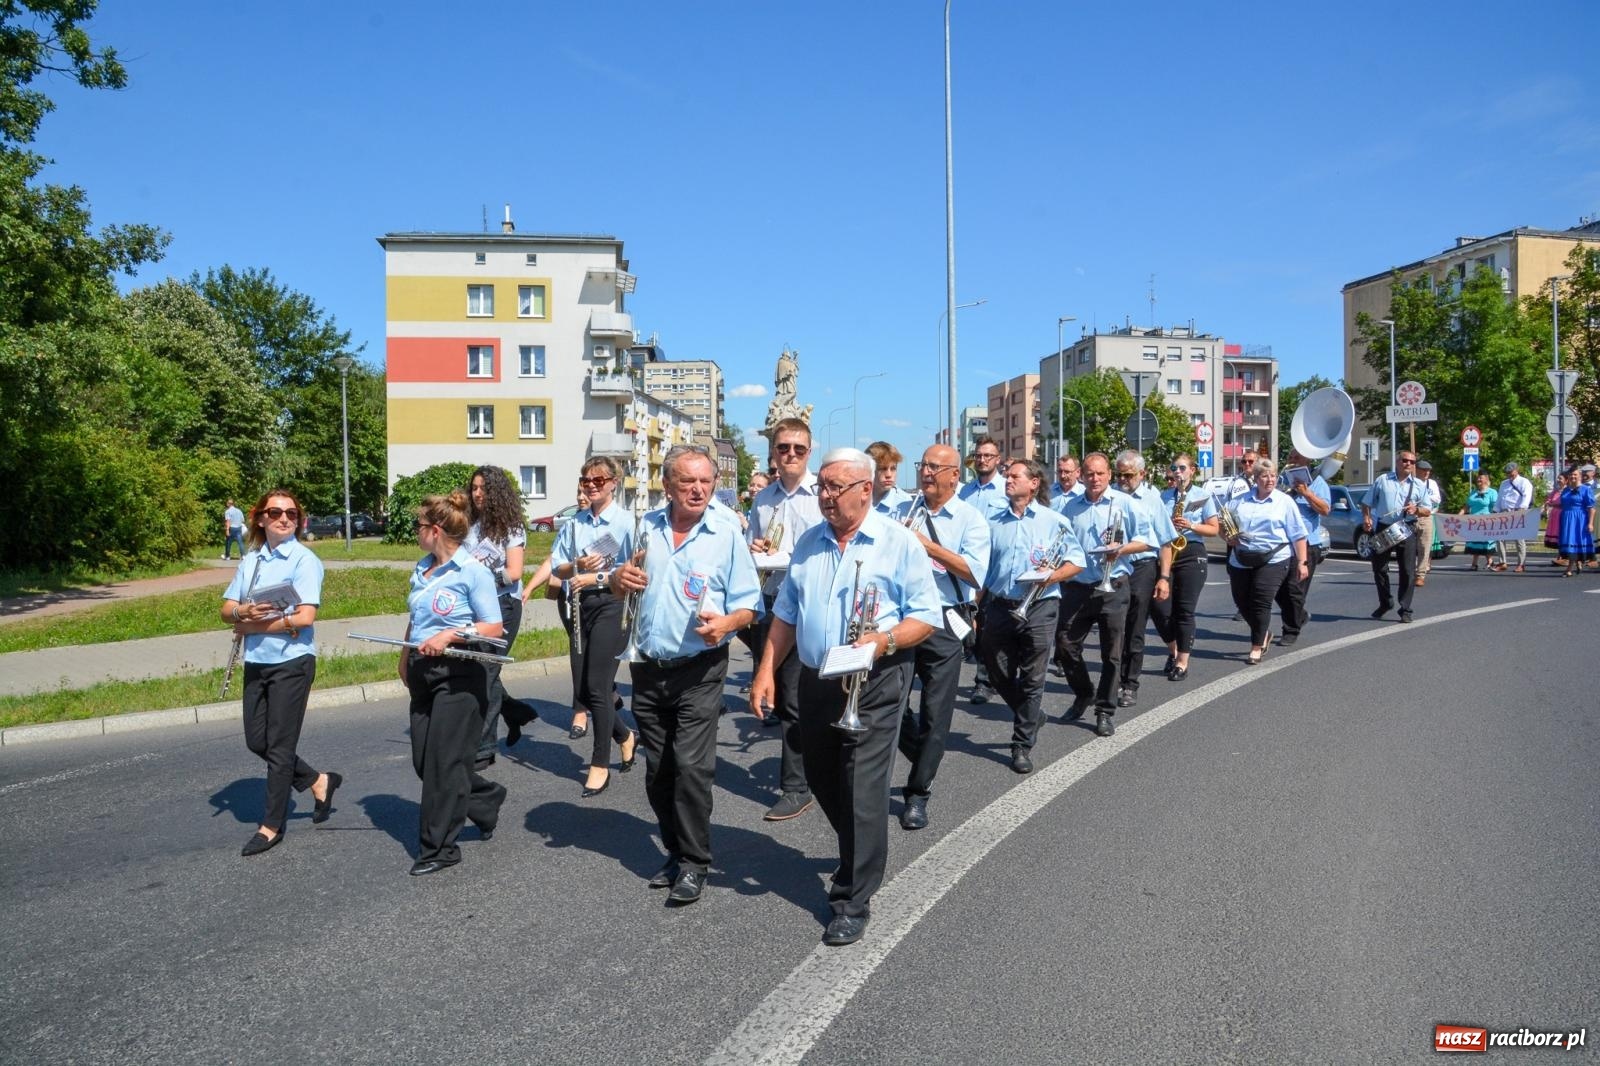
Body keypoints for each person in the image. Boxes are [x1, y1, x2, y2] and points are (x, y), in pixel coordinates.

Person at [749, 447, 941, 947]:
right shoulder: (810, 542)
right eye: (823, 487)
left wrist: (885, 640)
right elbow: (786, 614)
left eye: (836, 488)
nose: (826, 496)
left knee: (861, 784)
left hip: (876, 679)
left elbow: (927, 616)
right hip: (817, 677)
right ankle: (859, 845)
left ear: (865, 489)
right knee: (819, 774)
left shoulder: (898, 543)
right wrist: (766, 671)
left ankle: (852, 897)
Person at [609, 446, 762, 905]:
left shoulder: (726, 532)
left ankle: (696, 863)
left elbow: (750, 604)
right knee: (660, 772)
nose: (698, 489)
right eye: (687, 482)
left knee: (692, 768)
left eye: (705, 482)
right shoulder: (647, 527)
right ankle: (675, 852)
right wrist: (618, 580)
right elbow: (621, 580)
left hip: (700, 666)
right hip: (648, 666)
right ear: (667, 485)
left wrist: (728, 624)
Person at [221, 490, 338, 856]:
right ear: (260, 519)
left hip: (292, 663)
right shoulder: (252, 560)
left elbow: (304, 618)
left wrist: (254, 627)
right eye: (276, 512)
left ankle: (271, 825)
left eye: (292, 513)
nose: (285, 518)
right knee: (258, 741)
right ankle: (318, 781)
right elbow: (226, 609)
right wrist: (242, 614)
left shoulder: (304, 560)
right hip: (258, 663)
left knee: (280, 747)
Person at [400, 491, 507, 876]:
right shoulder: (421, 568)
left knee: (444, 765)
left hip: (460, 674)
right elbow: (416, 619)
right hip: (422, 669)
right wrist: (404, 657)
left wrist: (450, 635)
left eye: (419, 527)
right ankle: (484, 799)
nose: (416, 533)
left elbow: (493, 627)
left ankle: (439, 848)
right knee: (424, 762)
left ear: (435, 530)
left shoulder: (472, 571)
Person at [892, 444, 990, 826]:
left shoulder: (970, 519)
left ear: (954, 475)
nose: (926, 472)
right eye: (923, 465)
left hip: (945, 620)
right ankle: (925, 755)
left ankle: (917, 793)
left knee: (936, 712)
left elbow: (975, 573)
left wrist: (927, 546)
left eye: (935, 466)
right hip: (902, 619)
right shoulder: (902, 510)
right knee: (892, 705)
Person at [978, 459, 1082, 773]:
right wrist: (974, 607)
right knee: (995, 671)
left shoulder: (1053, 520)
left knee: (1034, 677)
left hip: (1040, 605)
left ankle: (1021, 744)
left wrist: (1050, 576)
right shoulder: (992, 520)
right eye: (1007, 476)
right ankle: (1032, 715)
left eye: (1013, 476)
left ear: (1033, 482)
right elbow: (982, 568)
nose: (1007, 480)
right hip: (1000, 604)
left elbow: (1076, 562)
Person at [744, 417, 823, 821]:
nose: (790, 454)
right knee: (786, 696)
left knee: (800, 696)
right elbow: (753, 549)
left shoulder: (821, 494)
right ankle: (798, 783)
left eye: (798, 448)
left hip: (814, 605)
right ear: (773, 452)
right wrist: (755, 546)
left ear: (810, 452)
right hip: (775, 600)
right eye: (783, 448)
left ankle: (799, 784)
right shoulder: (763, 500)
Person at [549, 457, 640, 797]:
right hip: (580, 605)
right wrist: (576, 565)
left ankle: (599, 763)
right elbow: (558, 568)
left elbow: (636, 569)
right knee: (584, 690)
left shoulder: (627, 522)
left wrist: (597, 575)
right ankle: (625, 736)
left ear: (614, 483)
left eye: (598, 480)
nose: (590, 485)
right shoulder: (575, 524)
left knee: (598, 687)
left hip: (614, 604)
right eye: (586, 479)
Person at [1056, 453, 1148, 738]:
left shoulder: (1125, 504)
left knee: (1111, 653)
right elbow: (1060, 543)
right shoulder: (1070, 507)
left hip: (1114, 587)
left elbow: (1145, 541)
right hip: (1078, 586)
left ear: (1109, 474)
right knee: (1064, 644)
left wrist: (1119, 549)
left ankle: (1105, 711)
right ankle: (1084, 693)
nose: (1094, 479)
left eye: (1100, 473)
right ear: (1082, 476)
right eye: (1089, 474)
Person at [466, 466, 527, 769]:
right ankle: (513, 711)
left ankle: (483, 748)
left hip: (504, 606)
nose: (477, 494)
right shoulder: (469, 525)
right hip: (474, 608)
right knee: (478, 670)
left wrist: (482, 576)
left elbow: (514, 573)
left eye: (483, 488)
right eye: (474, 487)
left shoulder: (511, 527)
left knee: (487, 671)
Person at [1111, 450, 1178, 709]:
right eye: (1119, 474)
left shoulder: (1152, 499)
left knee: (1135, 626)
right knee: (1114, 626)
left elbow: (1165, 541)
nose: (1122, 479)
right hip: (1116, 566)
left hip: (1142, 566)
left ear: (1142, 473)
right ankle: (1113, 679)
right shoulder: (1111, 496)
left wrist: (1163, 577)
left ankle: (1130, 683)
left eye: (1128, 475)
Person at [1226, 458, 1309, 664]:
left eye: (1273, 476)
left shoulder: (1284, 502)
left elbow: (1298, 535)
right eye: (1264, 476)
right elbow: (1224, 521)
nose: (1270, 480)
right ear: (1255, 478)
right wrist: (1228, 536)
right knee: (1241, 601)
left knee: (1260, 601)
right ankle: (1263, 632)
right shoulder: (1240, 500)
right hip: (1242, 557)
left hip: (1274, 557)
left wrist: (1302, 562)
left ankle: (1256, 645)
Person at [1151, 455, 1219, 681]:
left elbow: (1213, 529)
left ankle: (1182, 662)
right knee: (1160, 609)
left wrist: (1191, 524)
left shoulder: (1202, 495)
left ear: (1192, 470)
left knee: (1184, 610)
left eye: (1182, 468)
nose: (1177, 472)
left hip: (1191, 550)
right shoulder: (1164, 497)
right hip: (1168, 551)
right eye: (1174, 468)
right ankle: (1173, 651)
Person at [958, 436, 1006, 705]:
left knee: (987, 628)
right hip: (967, 567)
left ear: (997, 459)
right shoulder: (965, 492)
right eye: (979, 455)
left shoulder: (1005, 489)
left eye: (988, 455)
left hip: (994, 568)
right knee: (970, 628)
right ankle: (991, 671)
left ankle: (983, 682)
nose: (983, 460)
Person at [1273, 450, 1331, 647]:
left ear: (1307, 460)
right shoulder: (1281, 480)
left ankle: (1290, 629)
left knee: (1295, 588)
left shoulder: (1318, 482)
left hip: (1307, 543)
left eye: (1296, 457)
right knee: (1277, 589)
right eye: (1290, 456)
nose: (1292, 460)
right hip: (1283, 542)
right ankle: (1300, 614)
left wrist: (1306, 493)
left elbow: (1325, 509)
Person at [1361, 452, 1424, 622]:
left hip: (1406, 528)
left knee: (1407, 570)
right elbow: (1366, 502)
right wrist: (1366, 518)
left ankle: (1405, 609)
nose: (1408, 464)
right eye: (1405, 460)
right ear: (1397, 462)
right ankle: (1385, 602)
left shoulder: (1419, 485)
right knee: (1379, 568)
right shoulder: (1383, 480)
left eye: (1412, 462)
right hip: (1384, 526)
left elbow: (1427, 509)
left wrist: (1416, 510)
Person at [1490, 461, 1534, 572]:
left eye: (1511, 472)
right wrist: (1495, 511)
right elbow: (1500, 498)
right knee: (1499, 538)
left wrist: (1522, 508)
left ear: (1516, 470)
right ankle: (1502, 562)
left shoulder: (1524, 482)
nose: (1510, 474)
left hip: (1517, 511)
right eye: (1508, 472)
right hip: (1504, 512)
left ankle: (1521, 563)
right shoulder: (1504, 483)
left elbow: (1526, 496)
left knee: (1518, 539)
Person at [1557, 468, 1596, 577]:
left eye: (1575, 474)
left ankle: (1569, 569)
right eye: (1571, 475)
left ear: (1579, 475)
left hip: (1579, 519)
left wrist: (1590, 523)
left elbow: (1591, 508)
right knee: (1571, 541)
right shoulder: (1565, 490)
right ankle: (1578, 562)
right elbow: (1563, 504)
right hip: (1566, 518)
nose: (1572, 477)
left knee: (1573, 541)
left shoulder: (1585, 489)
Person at [1412, 459, 1442, 586]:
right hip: (1412, 517)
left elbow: (1437, 499)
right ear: (1416, 470)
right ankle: (1410, 572)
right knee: (1409, 547)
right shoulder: (1411, 482)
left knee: (1425, 547)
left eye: (1428, 470)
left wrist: (1423, 498)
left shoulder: (1432, 484)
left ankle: (1420, 574)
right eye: (1424, 470)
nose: (1427, 473)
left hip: (1427, 516)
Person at [1460, 473, 1498, 570]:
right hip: (1473, 522)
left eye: (1481, 478)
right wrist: (1458, 516)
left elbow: (1496, 507)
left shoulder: (1492, 492)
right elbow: (1467, 506)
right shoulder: (1473, 492)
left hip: (1486, 522)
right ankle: (1476, 563)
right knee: (1475, 542)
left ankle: (1489, 561)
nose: (1478, 480)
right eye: (1478, 478)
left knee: (1485, 542)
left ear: (1486, 480)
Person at [866, 441, 911, 515]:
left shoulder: (904, 503)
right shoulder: (858, 499)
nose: (889, 475)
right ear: (869, 470)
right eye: (883, 468)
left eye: (893, 469)